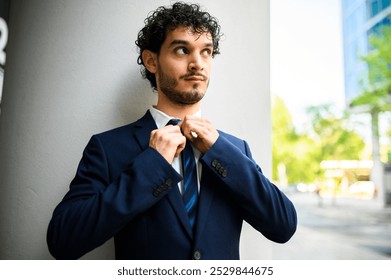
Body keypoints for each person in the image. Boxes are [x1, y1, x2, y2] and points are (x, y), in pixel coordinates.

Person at [47, 2, 297, 260]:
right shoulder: (108, 148)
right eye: (182, 50)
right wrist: (151, 165)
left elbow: (283, 226)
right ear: (151, 60)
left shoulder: (234, 149)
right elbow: (63, 242)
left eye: (206, 52)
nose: (197, 64)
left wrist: (220, 151)